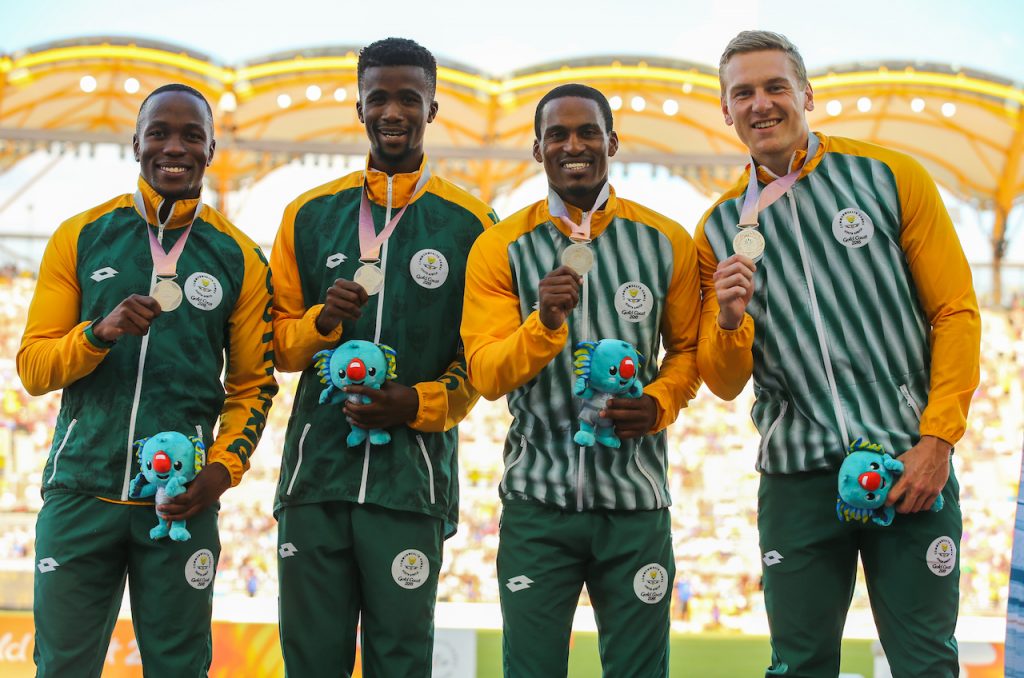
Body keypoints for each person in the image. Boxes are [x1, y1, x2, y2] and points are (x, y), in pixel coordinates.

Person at [697, 30, 981, 677]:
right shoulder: (716, 229)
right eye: (743, 92)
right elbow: (722, 381)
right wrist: (731, 319)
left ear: (806, 94)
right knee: (798, 667)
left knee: (926, 665)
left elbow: (956, 313)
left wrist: (937, 440)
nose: (761, 103)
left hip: (911, 463)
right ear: (726, 110)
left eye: (775, 87)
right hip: (798, 481)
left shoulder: (889, 177)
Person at [17, 83, 277, 676]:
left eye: (191, 135)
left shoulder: (238, 256)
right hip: (80, 492)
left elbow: (252, 387)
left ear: (212, 149)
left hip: (180, 506)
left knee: (180, 667)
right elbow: (33, 369)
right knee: (61, 667)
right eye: (159, 132)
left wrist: (218, 473)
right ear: (136, 142)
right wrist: (96, 334)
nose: (174, 147)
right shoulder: (81, 236)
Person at [270, 37, 497, 677]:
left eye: (407, 98)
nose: (392, 111)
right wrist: (323, 321)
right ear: (359, 107)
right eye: (378, 98)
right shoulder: (308, 215)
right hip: (314, 480)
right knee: (311, 662)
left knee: (401, 662)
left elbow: (477, 362)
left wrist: (416, 402)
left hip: (410, 482)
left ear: (432, 106)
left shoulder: (474, 223)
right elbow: (277, 348)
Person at [461, 83, 702, 677]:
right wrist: (542, 324)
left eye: (588, 132)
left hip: (636, 506)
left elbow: (690, 352)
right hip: (538, 508)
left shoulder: (665, 240)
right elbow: (486, 374)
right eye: (558, 135)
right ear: (537, 149)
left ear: (612, 141)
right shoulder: (500, 246)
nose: (574, 145)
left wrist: (660, 401)